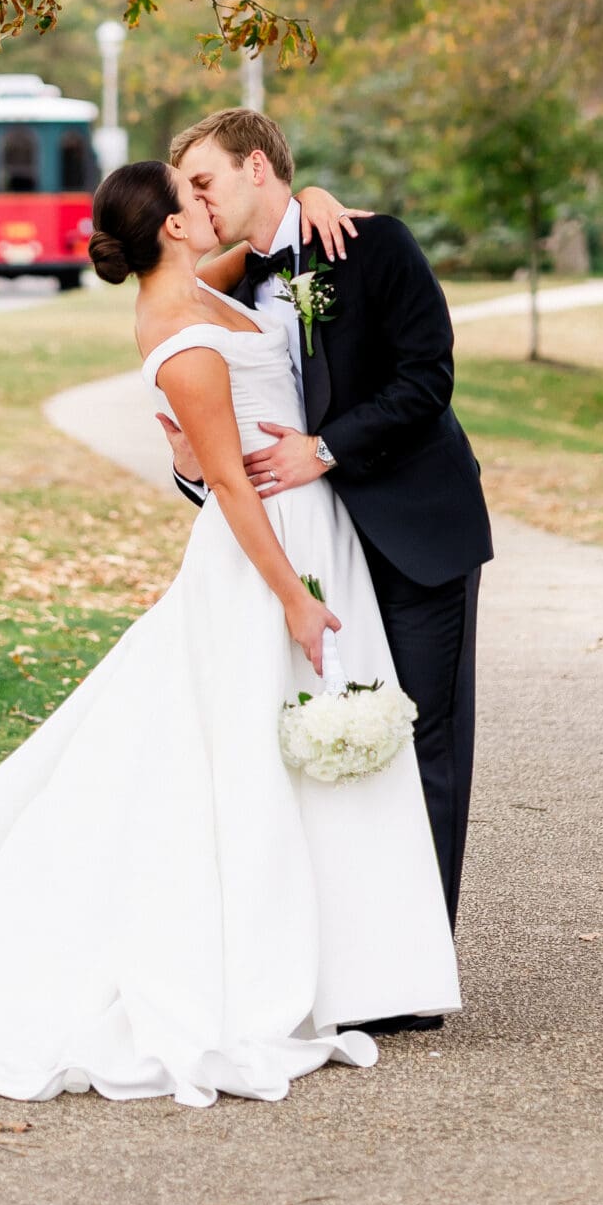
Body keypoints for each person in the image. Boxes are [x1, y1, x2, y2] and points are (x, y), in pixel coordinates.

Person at [0, 158, 458, 1107]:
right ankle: (253, 955)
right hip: (268, 550)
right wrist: (291, 596)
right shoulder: (180, 334)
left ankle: (349, 964)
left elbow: (272, 251)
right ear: (171, 227)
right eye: (193, 195)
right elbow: (225, 482)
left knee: (294, 747)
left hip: (314, 524)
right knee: (247, 751)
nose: (208, 202)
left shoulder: (203, 282)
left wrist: (309, 195)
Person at [164, 108, 491, 955]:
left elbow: (426, 379)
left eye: (203, 182)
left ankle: (416, 969)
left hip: (413, 535)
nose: (195, 203)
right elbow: (221, 437)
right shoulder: (228, 291)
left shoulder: (372, 245)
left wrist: (324, 449)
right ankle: (352, 956)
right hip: (317, 559)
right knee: (329, 747)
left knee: (420, 743)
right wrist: (193, 468)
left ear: (256, 168)